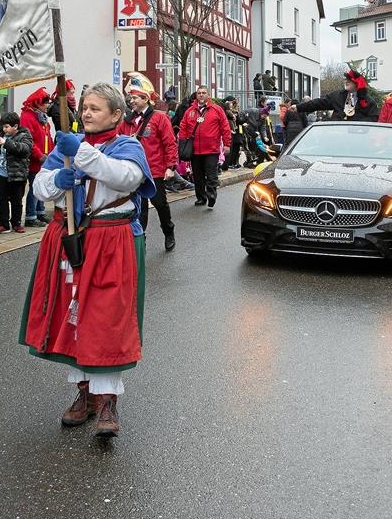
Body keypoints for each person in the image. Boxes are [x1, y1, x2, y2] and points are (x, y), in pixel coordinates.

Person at [19, 82, 155, 437]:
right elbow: (39, 187)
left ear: (116, 114)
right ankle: (85, 395)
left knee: (106, 318)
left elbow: (127, 178)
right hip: (72, 240)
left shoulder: (127, 145)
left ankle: (107, 399)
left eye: (96, 108)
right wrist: (58, 179)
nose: (87, 113)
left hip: (112, 241)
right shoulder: (69, 146)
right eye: (85, 107)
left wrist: (81, 155)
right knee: (74, 315)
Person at [118, 72, 178, 251]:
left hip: (155, 170)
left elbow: (169, 142)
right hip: (135, 171)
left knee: (160, 204)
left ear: (145, 99)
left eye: (135, 97)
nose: (132, 101)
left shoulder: (159, 118)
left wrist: (170, 166)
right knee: (139, 208)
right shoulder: (127, 122)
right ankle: (140, 239)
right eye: (131, 97)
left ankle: (168, 231)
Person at [178, 86, 232, 208]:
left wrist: (227, 144)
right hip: (195, 150)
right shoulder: (190, 111)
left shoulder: (217, 110)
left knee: (211, 174)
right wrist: (182, 144)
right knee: (198, 176)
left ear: (208, 95)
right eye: (199, 93)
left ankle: (211, 195)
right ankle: (201, 198)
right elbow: (183, 128)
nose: (201, 95)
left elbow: (225, 128)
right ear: (196, 95)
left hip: (211, 149)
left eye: (204, 93)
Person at [0, 111, 33, 234]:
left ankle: (16, 223)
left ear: (15, 126)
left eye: (7, 127)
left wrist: (6, 143)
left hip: (17, 174)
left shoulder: (25, 135)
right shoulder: (0, 133)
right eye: (3, 126)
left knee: (17, 201)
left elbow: (24, 149)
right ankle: (3, 224)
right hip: (0, 173)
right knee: (1, 200)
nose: (4, 129)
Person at [20, 87, 56, 228]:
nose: (47, 105)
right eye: (45, 103)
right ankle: (30, 216)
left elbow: (48, 137)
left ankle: (40, 212)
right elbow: (29, 140)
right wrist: (40, 155)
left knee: (41, 184)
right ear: (37, 103)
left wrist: (52, 153)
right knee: (35, 187)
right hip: (34, 159)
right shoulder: (27, 117)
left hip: (44, 158)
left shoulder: (42, 117)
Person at [291, 68, 378, 121]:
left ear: (357, 83)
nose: (346, 81)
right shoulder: (337, 96)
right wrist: (298, 107)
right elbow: (318, 103)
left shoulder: (368, 102)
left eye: (349, 80)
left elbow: (373, 119)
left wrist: (355, 123)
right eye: (345, 79)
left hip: (357, 140)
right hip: (337, 138)